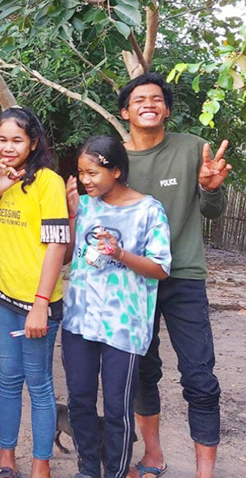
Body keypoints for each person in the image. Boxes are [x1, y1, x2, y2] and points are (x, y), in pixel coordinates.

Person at [118, 73, 231, 478]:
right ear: (125, 111)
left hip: (183, 276)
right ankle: (153, 456)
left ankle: (205, 473)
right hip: (132, 280)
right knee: (143, 372)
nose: (148, 103)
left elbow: (213, 212)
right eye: (139, 99)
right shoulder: (114, 158)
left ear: (165, 109)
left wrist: (212, 189)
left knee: (200, 375)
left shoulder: (191, 149)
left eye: (156, 99)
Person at [63, 136, 171, 478]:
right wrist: (69, 215)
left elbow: (161, 267)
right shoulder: (84, 205)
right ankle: (88, 469)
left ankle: (115, 471)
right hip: (79, 320)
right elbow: (66, 255)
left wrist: (121, 254)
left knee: (116, 407)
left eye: (93, 172)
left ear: (117, 170)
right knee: (79, 399)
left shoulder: (149, 210)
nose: (85, 180)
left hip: (123, 327)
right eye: (81, 173)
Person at [0, 107, 69, 478]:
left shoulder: (49, 182)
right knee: (7, 379)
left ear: (32, 143)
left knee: (39, 382)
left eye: (17, 140)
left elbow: (56, 246)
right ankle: (7, 459)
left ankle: (41, 465)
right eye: (2, 139)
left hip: (38, 303)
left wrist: (40, 304)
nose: (8, 147)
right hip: (1, 296)